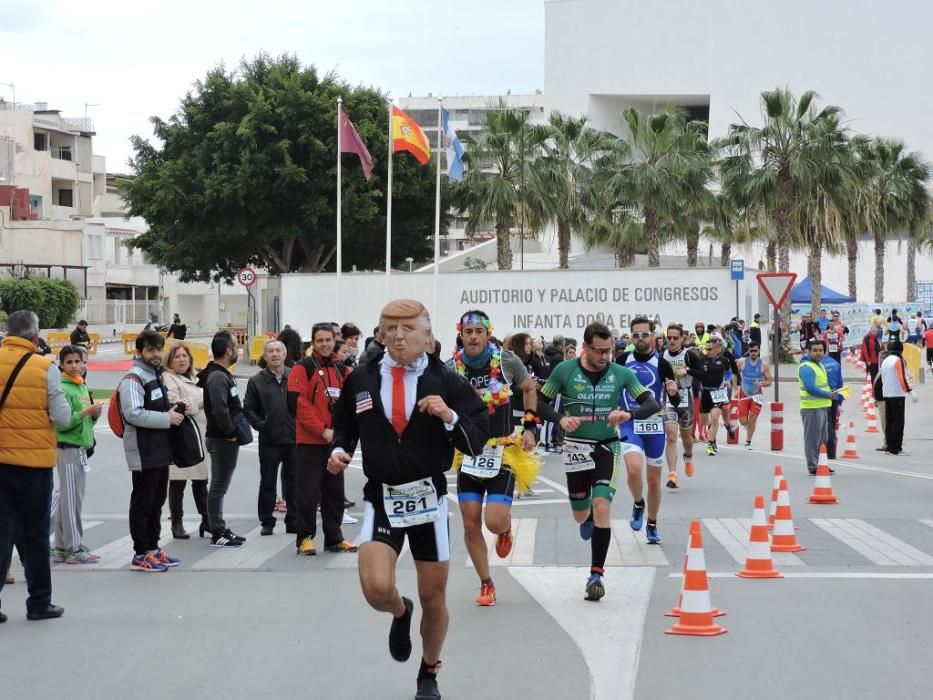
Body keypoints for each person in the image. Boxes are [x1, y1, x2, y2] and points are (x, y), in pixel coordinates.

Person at [327, 299, 488, 700]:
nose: (399, 336)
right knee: (375, 587)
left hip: (428, 499)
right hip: (382, 495)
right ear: (380, 334)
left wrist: (449, 416)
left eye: (408, 328)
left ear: (428, 335)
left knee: (434, 597)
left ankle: (429, 670)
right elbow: (345, 426)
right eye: (390, 328)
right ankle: (400, 611)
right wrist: (338, 450)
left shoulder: (447, 381)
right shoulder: (361, 378)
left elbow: (478, 436)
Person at [538, 322, 659, 601]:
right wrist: (560, 419)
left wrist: (630, 414)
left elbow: (651, 402)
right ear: (585, 347)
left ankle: (596, 575)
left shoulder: (621, 373)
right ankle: (587, 513)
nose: (605, 356)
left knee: (603, 505)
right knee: (581, 514)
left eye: (609, 351)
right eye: (599, 351)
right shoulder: (564, 371)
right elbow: (539, 403)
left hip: (608, 447)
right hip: (576, 448)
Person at [448, 311, 539, 606]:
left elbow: (528, 388)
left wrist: (529, 426)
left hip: (502, 450)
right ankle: (486, 583)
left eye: (479, 331)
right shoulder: (452, 367)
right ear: (461, 334)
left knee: (493, 521)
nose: (473, 336)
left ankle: (505, 528)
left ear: (488, 334)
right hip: (469, 453)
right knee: (471, 523)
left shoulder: (506, 360)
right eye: (468, 331)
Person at [0, 311, 71, 622]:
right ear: (34, 336)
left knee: (1, 533)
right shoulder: (45, 367)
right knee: (36, 535)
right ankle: (39, 602)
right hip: (33, 465)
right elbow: (62, 418)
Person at [287, 322, 357, 555]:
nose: (325, 344)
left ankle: (334, 537)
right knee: (307, 492)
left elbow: (350, 404)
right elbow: (299, 405)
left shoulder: (343, 370)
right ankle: (305, 538)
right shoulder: (302, 368)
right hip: (310, 442)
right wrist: (323, 430)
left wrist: (343, 435)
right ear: (313, 342)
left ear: (334, 341)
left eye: (328, 340)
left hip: (335, 445)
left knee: (334, 493)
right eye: (320, 340)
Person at [119, 330, 185, 571]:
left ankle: (153, 548)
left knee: (157, 499)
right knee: (143, 501)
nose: (156, 354)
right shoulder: (133, 378)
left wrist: (175, 410)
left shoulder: (155, 375)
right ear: (140, 351)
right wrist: (167, 418)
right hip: (143, 450)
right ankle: (140, 553)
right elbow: (133, 414)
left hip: (160, 449)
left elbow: (157, 407)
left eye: (159, 349)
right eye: (150, 350)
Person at [616, 317, 680, 544]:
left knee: (654, 481)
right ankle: (638, 503)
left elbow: (676, 397)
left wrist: (672, 391)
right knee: (633, 470)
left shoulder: (662, 364)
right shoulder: (623, 359)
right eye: (636, 335)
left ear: (652, 336)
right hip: (628, 421)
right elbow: (613, 385)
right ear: (631, 337)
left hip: (654, 424)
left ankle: (652, 523)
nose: (640, 339)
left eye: (645, 335)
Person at [50, 345, 103, 564]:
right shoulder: (62, 388)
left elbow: (85, 420)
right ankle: (73, 548)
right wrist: (85, 412)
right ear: (61, 365)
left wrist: (94, 415)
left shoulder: (81, 387)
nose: (74, 366)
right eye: (69, 362)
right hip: (67, 449)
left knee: (68, 499)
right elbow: (62, 423)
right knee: (71, 502)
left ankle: (62, 547)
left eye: (78, 362)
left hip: (80, 449)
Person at [197, 331, 246, 547]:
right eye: (235, 346)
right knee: (218, 486)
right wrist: (230, 433)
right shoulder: (217, 376)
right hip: (222, 439)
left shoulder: (220, 373)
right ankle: (217, 531)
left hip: (223, 438)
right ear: (228, 351)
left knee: (220, 486)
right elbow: (220, 409)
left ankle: (217, 525)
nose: (237, 350)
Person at [244, 340, 297, 536]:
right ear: (265, 356)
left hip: (293, 439)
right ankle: (267, 521)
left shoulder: (295, 376)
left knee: (293, 482)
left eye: (278, 351)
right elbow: (248, 408)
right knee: (267, 482)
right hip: (269, 440)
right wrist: (261, 425)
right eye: (270, 351)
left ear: (284, 354)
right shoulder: (256, 381)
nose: (275, 354)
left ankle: (293, 520)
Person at [162, 343, 209, 539]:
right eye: (177, 356)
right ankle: (177, 522)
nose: (181, 359)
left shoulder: (196, 377)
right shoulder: (168, 378)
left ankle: (207, 520)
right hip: (181, 434)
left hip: (201, 434)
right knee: (178, 481)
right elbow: (177, 404)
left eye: (184, 356)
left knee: (201, 480)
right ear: (170, 361)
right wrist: (198, 403)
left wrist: (194, 404)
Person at [686, 332, 738, 456]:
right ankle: (713, 433)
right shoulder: (701, 360)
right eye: (706, 349)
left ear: (716, 349)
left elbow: (729, 372)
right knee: (704, 422)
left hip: (718, 392)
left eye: (710, 349)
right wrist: (688, 370)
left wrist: (728, 382)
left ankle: (711, 443)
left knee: (714, 418)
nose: (708, 351)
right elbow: (696, 372)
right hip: (705, 393)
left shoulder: (724, 360)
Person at [662, 324, 699, 487]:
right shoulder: (662, 355)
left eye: (675, 338)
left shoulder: (689, 355)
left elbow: (704, 373)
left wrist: (688, 370)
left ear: (682, 339)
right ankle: (672, 475)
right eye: (669, 338)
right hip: (669, 399)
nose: (672, 341)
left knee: (686, 438)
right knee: (671, 436)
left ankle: (688, 457)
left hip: (686, 400)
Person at [798, 340, 837, 474]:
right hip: (812, 408)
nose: (818, 353)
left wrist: (830, 392)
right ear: (809, 351)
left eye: (820, 350)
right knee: (812, 440)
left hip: (822, 406)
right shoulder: (807, 367)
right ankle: (813, 466)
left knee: (822, 439)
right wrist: (827, 394)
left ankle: (822, 463)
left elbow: (820, 384)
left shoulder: (819, 365)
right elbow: (810, 388)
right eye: (815, 350)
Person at [879, 341, 916, 456]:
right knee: (898, 422)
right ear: (900, 351)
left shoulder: (885, 361)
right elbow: (902, 378)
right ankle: (896, 448)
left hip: (887, 394)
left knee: (890, 422)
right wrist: (910, 391)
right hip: (897, 394)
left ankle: (889, 447)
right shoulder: (897, 360)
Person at [735, 342, 772, 449]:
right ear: (748, 351)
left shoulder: (763, 365)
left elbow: (769, 381)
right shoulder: (742, 362)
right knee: (743, 421)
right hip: (744, 395)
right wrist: (735, 388)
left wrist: (761, 384)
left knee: (752, 418)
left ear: (759, 351)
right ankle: (749, 428)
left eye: (755, 351)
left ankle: (748, 441)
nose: (753, 353)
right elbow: (734, 375)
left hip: (757, 395)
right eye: (751, 351)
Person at [820, 347, 844, 459]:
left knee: (825, 425)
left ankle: (828, 451)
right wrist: (840, 401)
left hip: (823, 396)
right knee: (832, 424)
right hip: (835, 396)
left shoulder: (818, 364)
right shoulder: (835, 363)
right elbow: (840, 383)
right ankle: (831, 450)